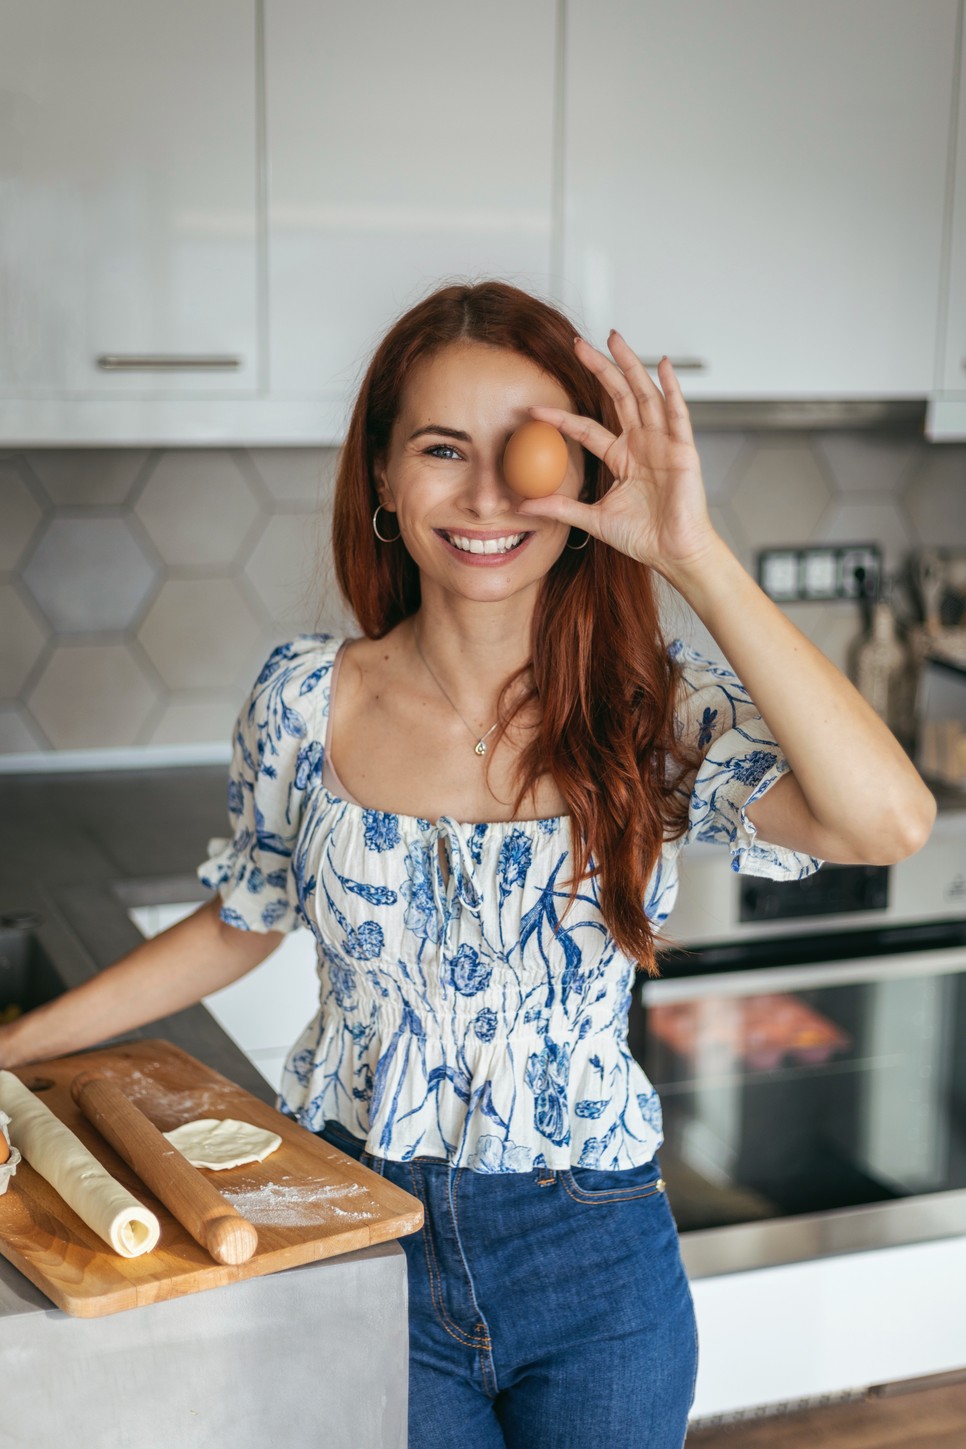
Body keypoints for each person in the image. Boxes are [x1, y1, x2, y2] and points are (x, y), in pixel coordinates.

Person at [0, 281, 936, 1448]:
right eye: (445, 448)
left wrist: (693, 553)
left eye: (525, 451)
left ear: (583, 478)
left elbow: (887, 822)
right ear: (385, 478)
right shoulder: (304, 697)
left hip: (595, 1263)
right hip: (358, 1225)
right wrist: (13, 1049)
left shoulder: (652, 706)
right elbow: (243, 917)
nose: (490, 494)